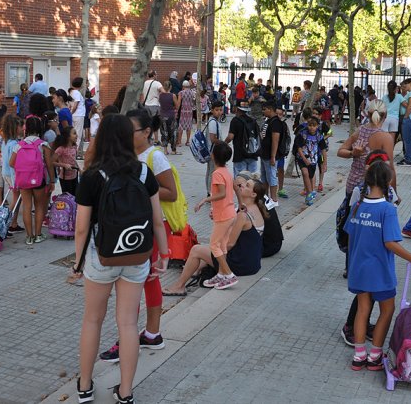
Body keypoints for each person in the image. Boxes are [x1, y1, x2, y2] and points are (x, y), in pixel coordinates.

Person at [70, 113, 169, 404]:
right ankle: (125, 392)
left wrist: (77, 264)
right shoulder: (142, 172)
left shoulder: (91, 175)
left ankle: (85, 386)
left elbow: (81, 228)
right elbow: (157, 220)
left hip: (101, 256)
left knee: (92, 320)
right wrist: (163, 254)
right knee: (127, 323)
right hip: (137, 255)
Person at [99, 109, 180, 364]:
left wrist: (137, 193)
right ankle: (146, 335)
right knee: (139, 281)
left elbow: (171, 192)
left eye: (129, 130)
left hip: (154, 226)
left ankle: (138, 336)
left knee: (143, 280)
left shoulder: (155, 157)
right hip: (134, 227)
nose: (124, 135)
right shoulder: (127, 155)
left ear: (146, 132)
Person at [347, 159, 411, 371]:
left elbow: (351, 234)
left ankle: (359, 354)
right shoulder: (387, 209)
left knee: (363, 309)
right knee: (387, 310)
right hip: (380, 270)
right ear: (388, 182)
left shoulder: (357, 206)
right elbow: (390, 242)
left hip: (359, 267)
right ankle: (375, 355)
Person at [161, 174, 267, 297]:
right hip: (252, 263)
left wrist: (216, 252)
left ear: (253, 195)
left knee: (196, 250)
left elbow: (230, 244)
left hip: (240, 264)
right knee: (208, 250)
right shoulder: (255, 209)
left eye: (247, 185)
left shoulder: (243, 215)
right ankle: (194, 272)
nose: (242, 185)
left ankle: (179, 286)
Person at [194, 141, 239, 290]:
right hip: (229, 213)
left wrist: (205, 200)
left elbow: (221, 193)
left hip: (224, 216)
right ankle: (221, 275)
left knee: (214, 245)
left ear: (213, 156)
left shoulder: (217, 173)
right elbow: (230, 191)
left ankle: (229, 274)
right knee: (222, 245)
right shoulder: (226, 171)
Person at [10, 116, 55, 245]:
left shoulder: (19, 145)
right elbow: (49, 164)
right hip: (38, 180)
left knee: (27, 207)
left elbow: (11, 163)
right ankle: (38, 234)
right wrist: (52, 181)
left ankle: (29, 237)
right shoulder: (43, 144)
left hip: (23, 180)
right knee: (39, 206)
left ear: (27, 128)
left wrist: (24, 169)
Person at [0, 114, 23, 235]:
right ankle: (6, 224)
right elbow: (13, 162)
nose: (22, 128)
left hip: (6, 172)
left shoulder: (6, 142)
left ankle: (13, 223)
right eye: (20, 126)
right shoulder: (14, 144)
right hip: (13, 174)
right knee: (16, 199)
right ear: (15, 128)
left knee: (17, 198)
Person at [294, 116, 327, 205]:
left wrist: (324, 164)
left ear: (317, 126)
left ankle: (309, 196)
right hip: (302, 158)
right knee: (305, 173)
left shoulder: (319, 135)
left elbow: (323, 149)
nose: (311, 127)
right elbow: (299, 148)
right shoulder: (303, 134)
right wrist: (304, 159)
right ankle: (310, 193)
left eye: (314, 125)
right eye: (310, 125)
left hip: (313, 160)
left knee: (310, 176)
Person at [259, 101, 285, 203]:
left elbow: (275, 140)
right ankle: (265, 198)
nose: (263, 111)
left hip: (270, 156)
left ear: (270, 109)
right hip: (264, 154)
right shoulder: (269, 121)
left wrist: (273, 156)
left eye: (264, 109)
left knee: (272, 177)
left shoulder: (276, 123)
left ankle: (274, 199)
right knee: (264, 177)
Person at [226, 103, 259, 176]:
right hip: (252, 154)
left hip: (240, 154)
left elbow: (230, 137)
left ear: (237, 109)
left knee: (240, 179)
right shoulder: (253, 120)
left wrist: (224, 143)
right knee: (252, 178)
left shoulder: (235, 120)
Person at [203, 101, 224, 194]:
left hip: (211, 150)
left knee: (210, 171)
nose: (219, 112)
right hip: (213, 151)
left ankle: (209, 190)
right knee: (212, 172)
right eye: (216, 110)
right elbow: (213, 139)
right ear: (212, 110)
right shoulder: (213, 122)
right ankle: (211, 192)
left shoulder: (214, 121)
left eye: (220, 110)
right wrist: (223, 143)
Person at [398, 78, 411, 166]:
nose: (403, 87)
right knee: (409, 139)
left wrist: (405, 117)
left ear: (410, 83)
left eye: (405, 84)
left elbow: (410, 107)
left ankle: (408, 159)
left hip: (409, 118)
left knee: (406, 140)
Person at [53, 126, 79, 196]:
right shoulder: (61, 149)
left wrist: (79, 169)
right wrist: (63, 165)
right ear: (68, 137)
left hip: (75, 176)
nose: (77, 135)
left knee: (75, 197)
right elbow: (52, 162)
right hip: (65, 178)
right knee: (67, 199)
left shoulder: (75, 146)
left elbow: (74, 160)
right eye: (74, 133)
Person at [158, 80, 179, 155]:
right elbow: (177, 106)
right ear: (170, 87)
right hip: (171, 115)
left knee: (164, 132)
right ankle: (173, 150)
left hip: (162, 115)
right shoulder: (173, 95)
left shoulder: (160, 95)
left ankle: (165, 150)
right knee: (173, 132)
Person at [274, 107, 290, 199]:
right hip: (271, 153)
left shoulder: (284, 125)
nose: (279, 116)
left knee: (280, 169)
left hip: (280, 152)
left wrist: (286, 150)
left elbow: (288, 139)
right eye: (277, 114)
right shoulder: (269, 123)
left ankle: (280, 188)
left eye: (280, 114)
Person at [175, 80, 196, 147]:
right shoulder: (192, 92)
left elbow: (178, 103)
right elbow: (194, 101)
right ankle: (187, 141)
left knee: (181, 126)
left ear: (183, 86)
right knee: (189, 126)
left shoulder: (181, 93)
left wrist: (176, 111)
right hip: (190, 111)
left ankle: (179, 142)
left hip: (183, 111)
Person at [70, 77, 86, 153]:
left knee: (74, 132)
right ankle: (74, 151)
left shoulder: (72, 92)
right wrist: (72, 112)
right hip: (78, 115)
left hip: (76, 115)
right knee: (78, 134)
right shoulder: (77, 93)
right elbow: (75, 105)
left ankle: (73, 150)